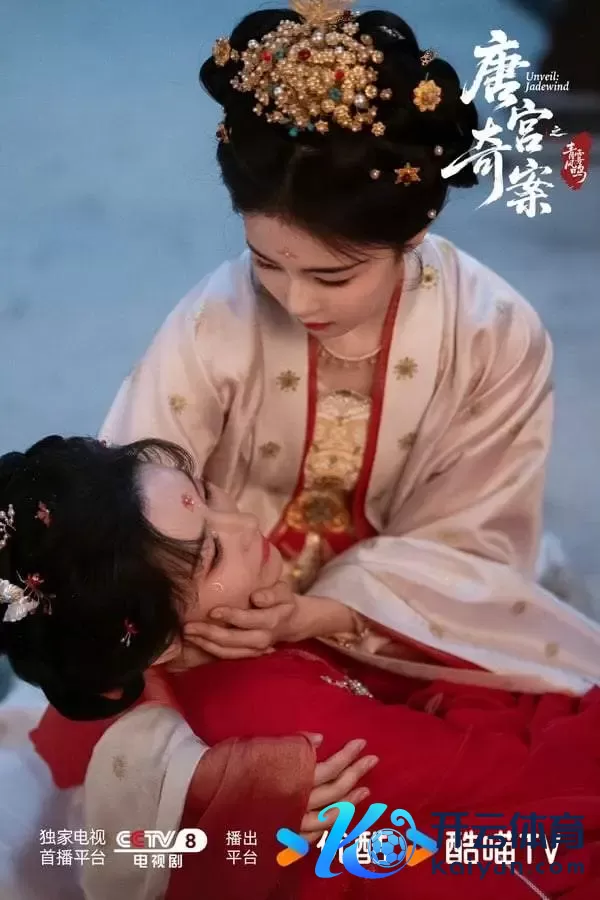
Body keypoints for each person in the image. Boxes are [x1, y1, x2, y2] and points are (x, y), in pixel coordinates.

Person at [99, 2, 582, 693]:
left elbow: (476, 540)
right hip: (224, 613)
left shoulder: (492, 332)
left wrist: (321, 615)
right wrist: (209, 605)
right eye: (266, 262)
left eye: (334, 276)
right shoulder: (216, 319)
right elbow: (131, 494)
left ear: (414, 232)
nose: (296, 302)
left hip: (403, 624)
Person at [1, 435, 599, 899]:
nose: (246, 526)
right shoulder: (292, 728)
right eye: (213, 554)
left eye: (208, 494)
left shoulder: (159, 671)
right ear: (154, 641)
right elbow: (510, 783)